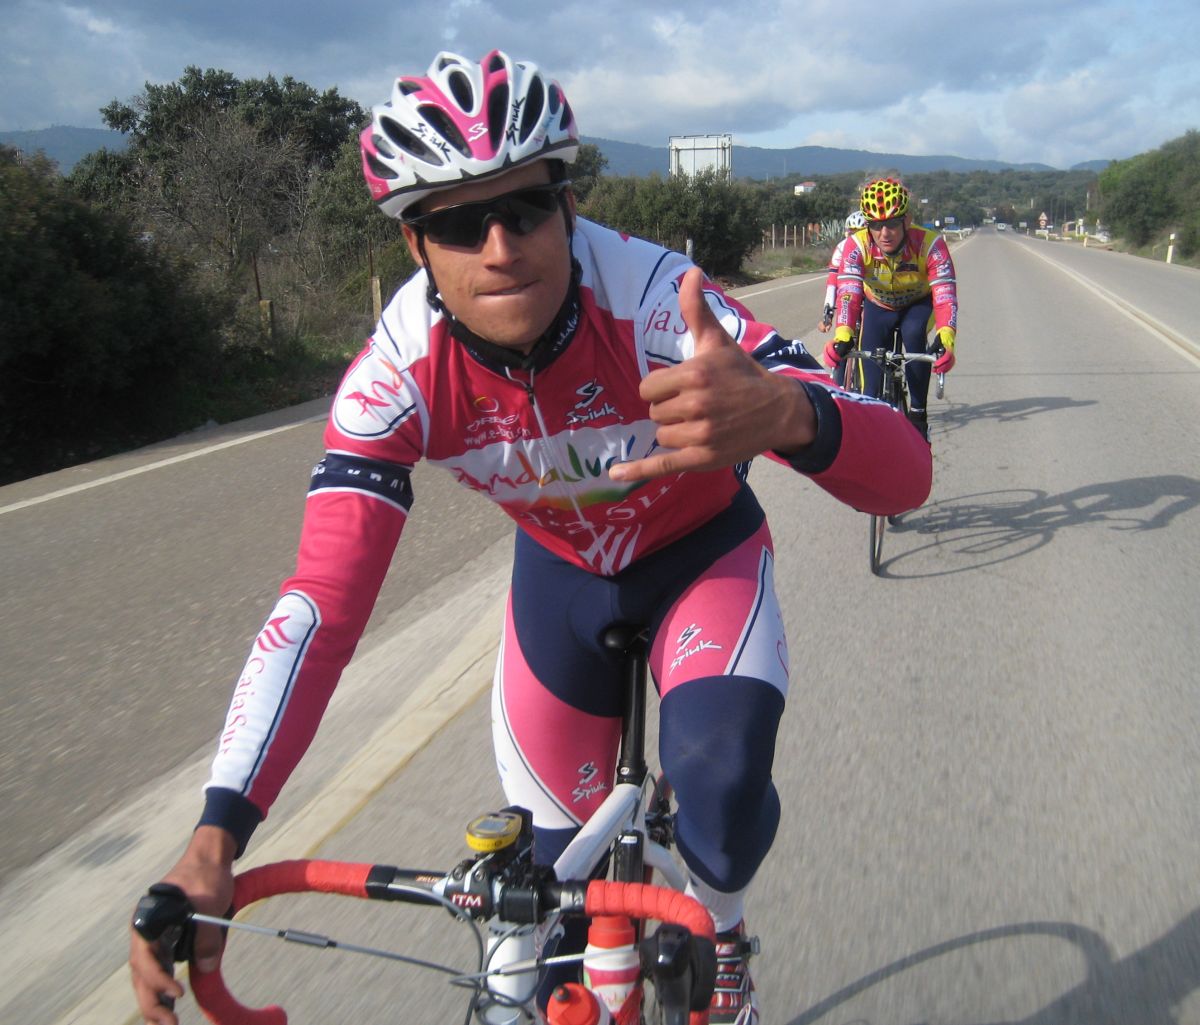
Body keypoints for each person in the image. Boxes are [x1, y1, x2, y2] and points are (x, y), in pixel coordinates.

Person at [128, 50, 933, 1025]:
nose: (501, 246)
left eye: (527, 208)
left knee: (720, 804)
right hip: (562, 586)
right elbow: (320, 607)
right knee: (552, 916)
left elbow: (907, 476)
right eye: (460, 223)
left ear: (570, 206)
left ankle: (724, 938)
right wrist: (216, 834)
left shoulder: (656, 302)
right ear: (416, 243)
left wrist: (789, 414)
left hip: (702, 557)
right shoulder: (396, 374)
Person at [823, 176, 958, 438]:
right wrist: (843, 335)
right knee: (869, 389)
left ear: (907, 220)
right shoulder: (856, 245)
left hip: (917, 304)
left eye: (892, 224)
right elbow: (848, 294)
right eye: (875, 225)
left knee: (914, 334)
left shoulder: (931, 245)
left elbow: (945, 296)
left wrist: (946, 338)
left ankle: (918, 414)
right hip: (878, 304)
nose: (884, 233)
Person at [817, 210, 866, 336]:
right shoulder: (841, 248)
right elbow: (832, 283)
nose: (855, 238)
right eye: (851, 233)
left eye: (860, 233)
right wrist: (828, 315)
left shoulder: (875, 246)